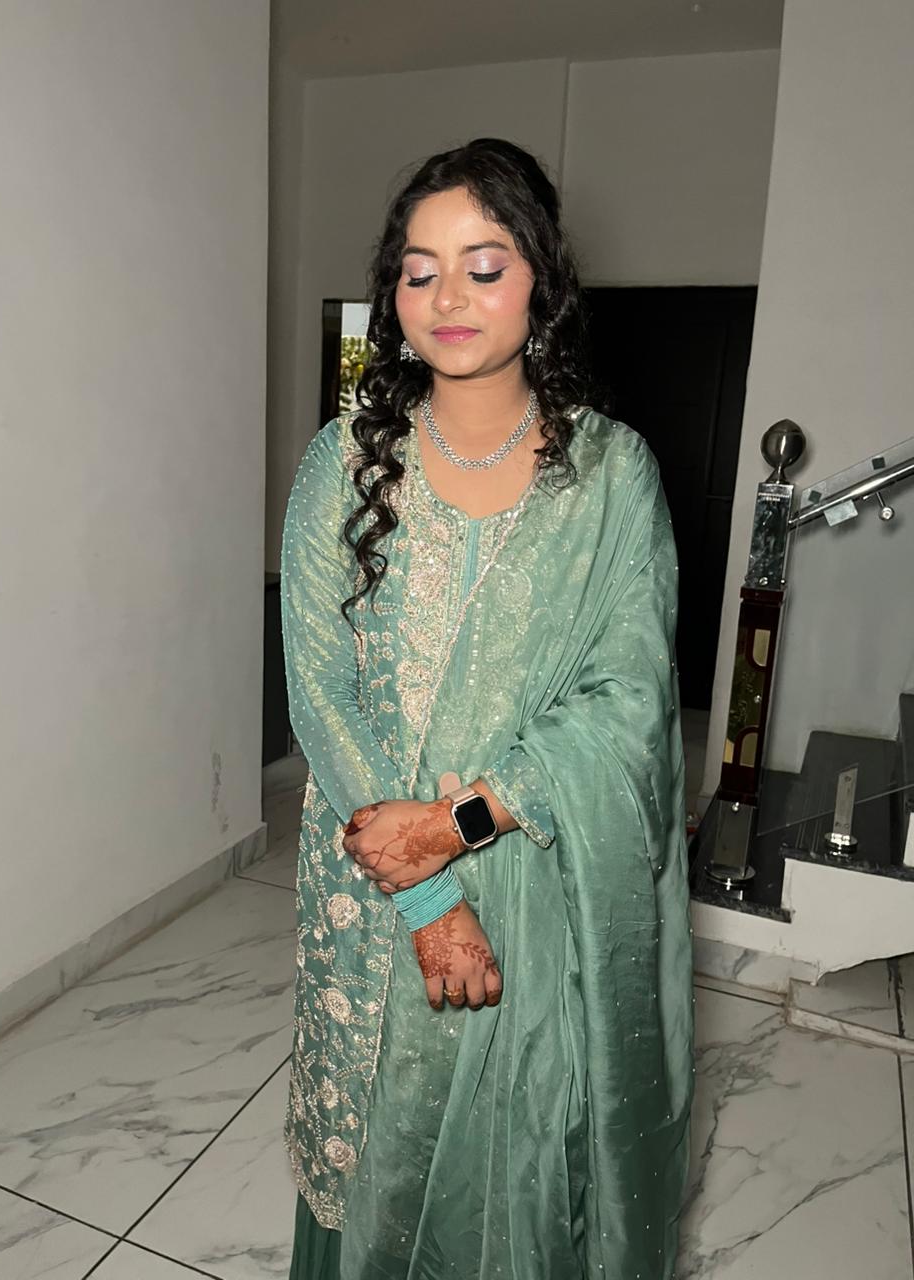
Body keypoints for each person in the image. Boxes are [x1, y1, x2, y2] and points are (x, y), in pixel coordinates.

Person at [280, 136, 694, 1280]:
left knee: (519, 1169)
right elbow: (320, 690)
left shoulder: (610, 474)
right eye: (419, 271)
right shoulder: (340, 463)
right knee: (376, 1153)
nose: (448, 297)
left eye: (484, 264)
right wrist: (430, 892)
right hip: (372, 880)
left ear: (541, 281)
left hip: (540, 878)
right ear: (393, 293)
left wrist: (461, 823)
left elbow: (629, 700)